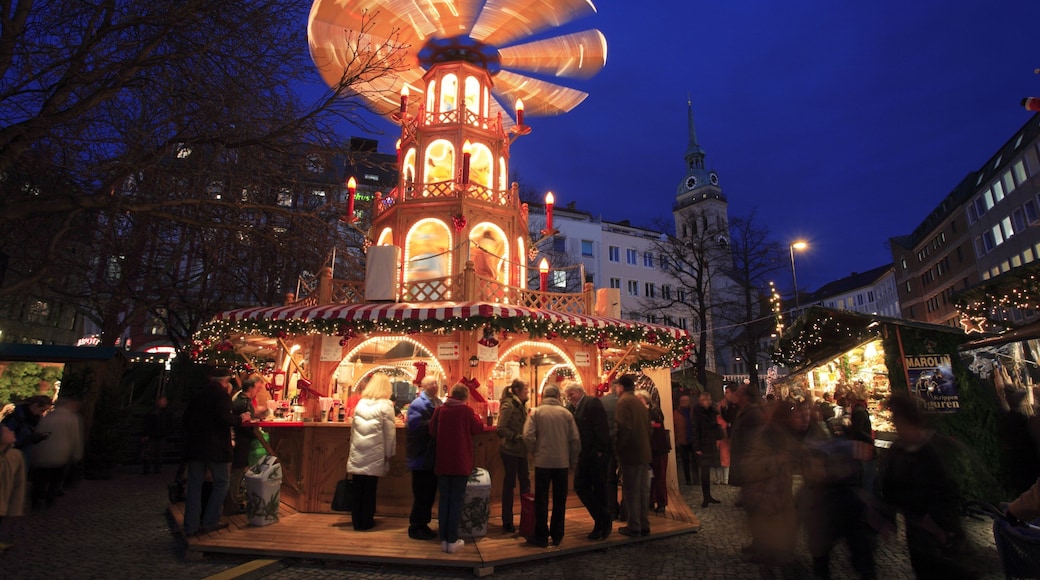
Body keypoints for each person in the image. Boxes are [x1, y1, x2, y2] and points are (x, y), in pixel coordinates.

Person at [881, 393, 979, 579]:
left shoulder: (933, 449)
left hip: (941, 531)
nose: (895, 425)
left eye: (898, 420)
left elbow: (947, 490)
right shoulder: (898, 451)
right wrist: (888, 519)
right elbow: (889, 488)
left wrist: (940, 529)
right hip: (918, 533)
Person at [181, 367, 249, 536]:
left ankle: (191, 525)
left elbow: (186, 419)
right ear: (225, 382)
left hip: (196, 447)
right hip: (216, 448)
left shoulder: (198, 395)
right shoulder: (221, 396)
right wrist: (240, 419)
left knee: (194, 486)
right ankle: (210, 520)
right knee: (221, 482)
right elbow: (224, 419)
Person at [523, 384, 580, 548]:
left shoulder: (536, 412)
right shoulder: (566, 414)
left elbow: (527, 436)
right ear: (557, 397)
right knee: (559, 500)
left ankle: (541, 536)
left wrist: (534, 451)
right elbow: (575, 440)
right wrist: (572, 460)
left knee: (541, 499)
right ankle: (557, 535)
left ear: (543, 396)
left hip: (542, 462)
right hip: (561, 462)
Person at [429, 383, 484, 554]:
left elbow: (432, 431)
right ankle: (452, 540)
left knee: (444, 500)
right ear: (465, 397)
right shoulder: (466, 411)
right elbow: (478, 428)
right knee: (456, 501)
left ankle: (444, 539)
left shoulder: (439, 410)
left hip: (442, 461)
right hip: (460, 462)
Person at [346, 373, 397, 531]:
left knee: (357, 487)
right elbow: (390, 435)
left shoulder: (361, 403)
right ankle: (366, 521)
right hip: (375, 452)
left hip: (358, 450)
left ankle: (356, 521)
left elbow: (353, 430)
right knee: (369, 488)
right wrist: (389, 456)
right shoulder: (386, 405)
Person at [563, 381, 611, 540]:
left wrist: (600, 449)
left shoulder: (592, 403)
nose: (570, 397)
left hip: (595, 454)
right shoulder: (571, 408)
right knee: (581, 486)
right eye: (567, 395)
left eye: (571, 394)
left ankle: (602, 525)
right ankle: (603, 518)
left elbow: (602, 427)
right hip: (583, 455)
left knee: (599, 488)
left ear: (579, 391)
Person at [613, 375, 652, 538]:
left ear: (621, 387)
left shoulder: (623, 402)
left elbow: (624, 428)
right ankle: (644, 524)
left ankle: (634, 525)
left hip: (632, 453)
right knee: (643, 491)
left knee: (630, 491)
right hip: (644, 452)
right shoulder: (638, 402)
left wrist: (619, 450)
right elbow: (648, 428)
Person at [28, 396, 83, 509]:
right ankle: (49, 500)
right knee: (55, 480)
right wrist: (76, 454)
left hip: (43, 453)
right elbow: (75, 438)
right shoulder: (71, 418)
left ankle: (36, 500)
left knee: (41, 479)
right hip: (60, 454)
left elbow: (38, 432)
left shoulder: (49, 416)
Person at [406, 376, 441, 540]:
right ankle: (416, 526)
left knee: (429, 493)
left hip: (430, 455)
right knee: (422, 493)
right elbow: (414, 427)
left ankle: (423, 524)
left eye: (436, 383)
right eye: (432, 384)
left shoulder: (437, 402)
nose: (436, 386)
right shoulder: (418, 404)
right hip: (421, 455)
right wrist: (435, 422)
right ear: (425, 386)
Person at [496, 379, 530, 533]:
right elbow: (501, 428)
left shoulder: (522, 405)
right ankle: (507, 521)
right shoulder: (509, 405)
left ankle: (527, 518)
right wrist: (517, 436)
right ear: (517, 390)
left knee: (525, 484)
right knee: (510, 485)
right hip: (510, 451)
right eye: (525, 390)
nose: (527, 392)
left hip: (521, 451)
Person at [225, 378, 264, 515]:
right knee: (237, 470)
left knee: (238, 470)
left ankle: (234, 499)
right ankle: (232, 502)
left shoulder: (239, 399)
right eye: (258, 388)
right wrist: (256, 431)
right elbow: (245, 423)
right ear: (251, 387)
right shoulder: (244, 402)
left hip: (238, 439)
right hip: (241, 440)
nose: (258, 392)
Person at [637, 390, 670, 514]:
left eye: (640, 398)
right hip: (646, 449)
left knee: (659, 477)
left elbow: (658, 424)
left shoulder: (654, 410)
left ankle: (661, 503)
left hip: (658, 448)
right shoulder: (638, 412)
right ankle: (650, 501)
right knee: (648, 478)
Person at [0, 395, 53, 463]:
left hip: (22, 458)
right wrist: (29, 439)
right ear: (35, 406)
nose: (42, 414)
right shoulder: (16, 419)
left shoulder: (33, 420)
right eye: (42, 410)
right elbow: (6, 441)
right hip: (10, 459)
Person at [692, 391, 722, 508]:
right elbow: (696, 431)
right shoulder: (698, 412)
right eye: (706, 400)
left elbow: (714, 424)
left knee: (708, 470)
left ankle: (709, 496)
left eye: (709, 399)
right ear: (701, 401)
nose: (708, 402)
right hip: (703, 444)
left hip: (710, 443)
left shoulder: (711, 411)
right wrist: (697, 447)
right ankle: (706, 497)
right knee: (704, 472)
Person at [599, 379, 624, 521]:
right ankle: (626, 510)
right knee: (626, 479)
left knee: (610, 478)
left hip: (608, 444)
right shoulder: (626, 402)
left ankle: (612, 509)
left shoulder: (603, 402)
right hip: (624, 444)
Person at [0, 424, 26, 536]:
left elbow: (18, 484)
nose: (12, 432)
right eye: (7, 431)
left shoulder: (15, 455)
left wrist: (14, 508)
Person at [140, 396, 175, 475]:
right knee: (149, 453)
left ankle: (157, 469)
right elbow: (147, 424)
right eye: (162, 401)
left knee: (159, 454)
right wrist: (146, 434)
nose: (164, 403)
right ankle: (148, 468)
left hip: (161, 435)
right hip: (153, 435)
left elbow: (171, 424)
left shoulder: (167, 413)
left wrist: (167, 432)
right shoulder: (153, 412)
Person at [673, 394, 695, 486]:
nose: (684, 403)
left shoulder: (692, 411)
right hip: (682, 439)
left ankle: (696, 478)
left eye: (686, 401)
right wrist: (676, 440)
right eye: (682, 401)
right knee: (685, 461)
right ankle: (688, 479)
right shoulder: (676, 413)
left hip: (692, 439)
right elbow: (674, 427)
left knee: (694, 461)